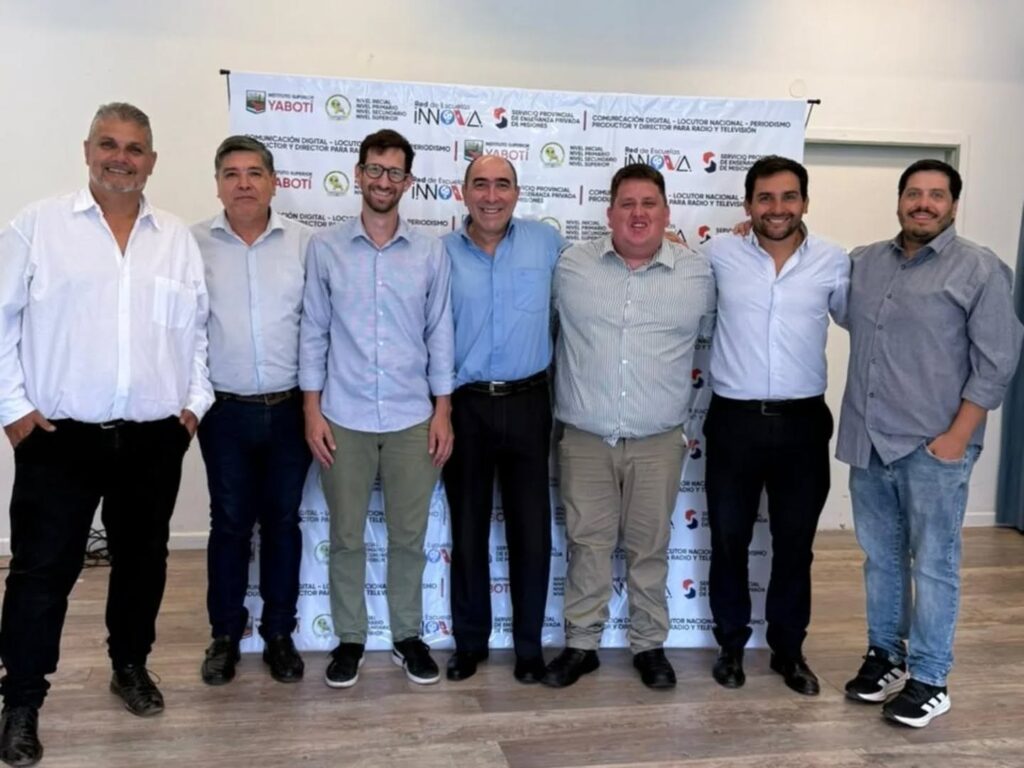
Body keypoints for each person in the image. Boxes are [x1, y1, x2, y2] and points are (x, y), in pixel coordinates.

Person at [0, 103, 213, 767]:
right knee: (41, 573)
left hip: (153, 440)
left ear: (152, 161)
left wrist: (194, 404)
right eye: (109, 144)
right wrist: (14, 412)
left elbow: (197, 331)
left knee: (143, 564)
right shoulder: (38, 226)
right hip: (58, 439)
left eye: (134, 148)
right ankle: (21, 700)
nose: (121, 158)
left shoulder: (174, 239)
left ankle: (130, 665)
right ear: (87, 149)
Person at [838, 159, 1022, 727]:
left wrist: (956, 439)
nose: (924, 203)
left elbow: (997, 361)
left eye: (936, 195)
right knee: (881, 559)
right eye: (914, 193)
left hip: (935, 448)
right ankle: (886, 656)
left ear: (953, 205)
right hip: (870, 441)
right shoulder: (864, 263)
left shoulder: (980, 269)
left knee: (934, 565)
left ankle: (931, 678)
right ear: (899, 201)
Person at [543, 163, 715, 690]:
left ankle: (649, 645)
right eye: (627, 204)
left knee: (649, 546)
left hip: (658, 441)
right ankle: (581, 644)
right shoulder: (571, 266)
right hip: (585, 438)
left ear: (666, 212)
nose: (638, 214)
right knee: (586, 544)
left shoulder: (698, 273)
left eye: (648, 204)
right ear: (609, 212)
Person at [299, 129, 454, 688]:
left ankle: (408, 636)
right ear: (358, 174)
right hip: (343, 415)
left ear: (407, 181)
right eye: (374, 169)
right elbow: (313, 332)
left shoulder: (430, 251)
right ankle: (350, 639)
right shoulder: (326, 248)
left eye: (394, 172)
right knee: (346, 537)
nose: (383, 181)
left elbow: (440, 333)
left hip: (414, 417)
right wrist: (312, 411)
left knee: (409, 538)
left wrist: (443, 411)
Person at [702, 156, 848, 695]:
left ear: (805, 202)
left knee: (794, 544)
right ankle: (731, 646)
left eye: (789, 197)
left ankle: (789, 651)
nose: (777, 208)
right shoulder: (718, 253)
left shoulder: (834, 261)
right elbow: (671, 265)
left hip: (803, 425)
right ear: (748, 205)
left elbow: (867, 319)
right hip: (734, 422)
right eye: (765, 198)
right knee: (729, 541)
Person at [191, 136, 312, 686]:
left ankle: (279, 635)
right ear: (218, 184)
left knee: (283, 524)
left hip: (290, 410)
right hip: (224, 413)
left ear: (273, 182)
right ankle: (224, 635)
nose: (243, 183)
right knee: (230, 525)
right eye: (232, 174)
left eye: (254, 172)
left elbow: (318, 329)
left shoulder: (304, 244)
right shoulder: (191, 245)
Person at [441, 155, 565, 684]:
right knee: (468, 530)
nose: (491, 196)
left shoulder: (547, 243)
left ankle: (529, 647)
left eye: (502, 185)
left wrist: (663, 240)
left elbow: (601, 269)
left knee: (531, 533)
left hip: (529, 402)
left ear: (516, 192)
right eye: (480, 185)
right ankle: (470, 643)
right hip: (464, 406)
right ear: (463, 192)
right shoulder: (441, 253)